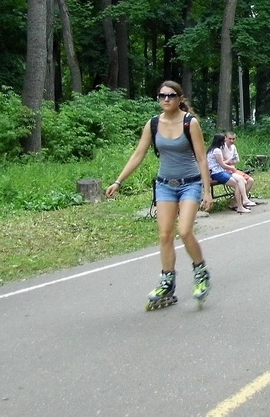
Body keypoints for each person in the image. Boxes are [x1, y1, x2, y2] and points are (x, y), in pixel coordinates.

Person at [105, 80, 213, 309]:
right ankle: (167, 281)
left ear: (179, 98)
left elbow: (202, 158)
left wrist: (207, 191)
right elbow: (138, 154)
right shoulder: (153, 124)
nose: (166, 99)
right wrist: (118, 181)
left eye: (171, 96)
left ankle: (201, 272)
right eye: (162, 96)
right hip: (165, 185)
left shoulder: (190, 123)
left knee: (184, 231)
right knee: (165, 235)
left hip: (190, 184)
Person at [207, 133, 254, 213]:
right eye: (223, 140)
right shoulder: (216, 150)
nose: (224, 142)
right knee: (237, 184)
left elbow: (223, 163)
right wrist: (231, 166)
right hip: (217, 173)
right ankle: (239, 206)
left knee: (241, 179)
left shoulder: (212, 150)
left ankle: (245, 199)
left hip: (222, 171)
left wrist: (230, 164)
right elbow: (222, 164)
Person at [222, 131, 255, 197]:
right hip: (224, 171)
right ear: (225, 138)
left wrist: (230, 161)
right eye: (230, 138)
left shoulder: (233, 147)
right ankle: (238, 202)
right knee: (242, 182)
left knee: (250, 180)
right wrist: (229, 162)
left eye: (233, 139)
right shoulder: (221, 147)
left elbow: (237, 160)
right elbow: (220, 162)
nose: (231, 141)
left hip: (233, 169)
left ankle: (239, 201)